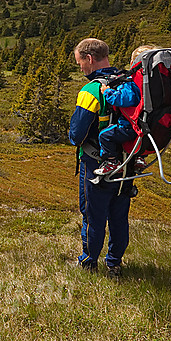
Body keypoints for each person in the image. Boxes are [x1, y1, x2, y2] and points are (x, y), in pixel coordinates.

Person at [68, 38, 133, 278]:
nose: (81, 69)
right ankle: (114, 264)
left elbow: (77, 135)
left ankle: (88, 262)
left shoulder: (91, 90)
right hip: (127, 164)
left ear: (90, 59)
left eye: (80, 64)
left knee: (93, 216)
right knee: (119, 215)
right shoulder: (127, 82)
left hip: (96, 165)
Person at [95, 44, 158, 176]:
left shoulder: (132, 82)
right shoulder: (157, 85)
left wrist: (107, 92)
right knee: (141, 139)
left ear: (133, 63)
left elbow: (123, 100)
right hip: (154, 125)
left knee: (105, 135)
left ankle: (112, 162)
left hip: (133, 126)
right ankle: (139, 158)